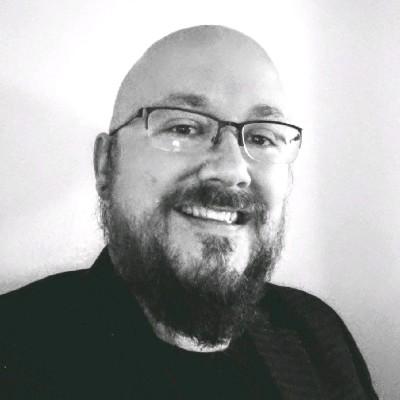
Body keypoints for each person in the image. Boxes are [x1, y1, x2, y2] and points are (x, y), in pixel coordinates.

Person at [0, 25, 377, 399]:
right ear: (106, 164)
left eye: (262, 138)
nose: (232, 170)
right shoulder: (15, 348)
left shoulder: (316, 332)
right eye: (183, 128)